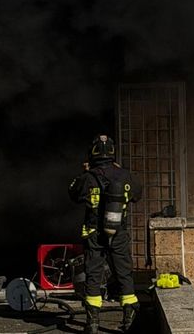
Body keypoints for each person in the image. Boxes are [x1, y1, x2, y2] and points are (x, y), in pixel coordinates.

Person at [68, 135, 141, 333]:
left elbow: (73, 193)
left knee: (93, 274)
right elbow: (138, 194)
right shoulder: (125, 175)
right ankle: (129, 320)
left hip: (94, 234)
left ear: (92, 153)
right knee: (124, 273)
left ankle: (92, 323)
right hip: (119, 233)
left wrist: (85, 173)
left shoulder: (88, 177)